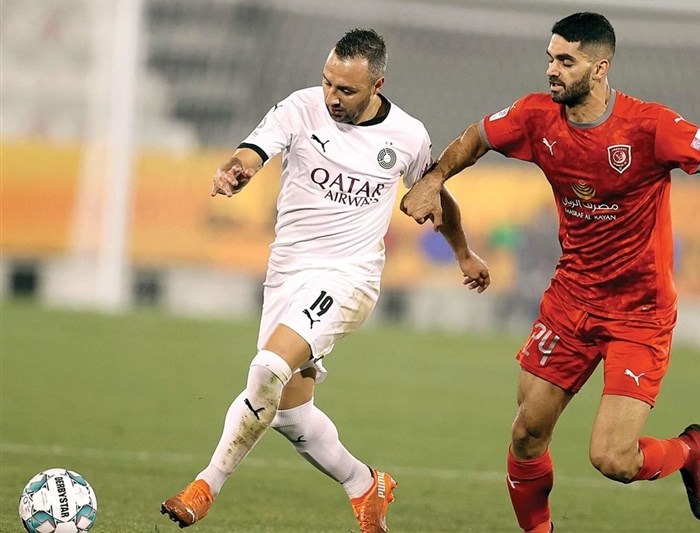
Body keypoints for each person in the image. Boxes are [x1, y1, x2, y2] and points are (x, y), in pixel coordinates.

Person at [400, 12, 700, 533]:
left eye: (566, 61)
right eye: (550, 59)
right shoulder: (535, 116)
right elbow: (478, 136)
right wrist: (435, 178)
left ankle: (690, 449)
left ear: (600, 68)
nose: (552, 70)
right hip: (571, 300)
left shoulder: (650, 126)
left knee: (613, 459)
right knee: (526, 435)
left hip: (640, 313)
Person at [160, 28, 490, 533]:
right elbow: (253, 151)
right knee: (289, 413)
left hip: (349, 278)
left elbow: (435, 195)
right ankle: (365, 484)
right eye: (327, 83)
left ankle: (205, 486)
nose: (332, 97)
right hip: (287, 273)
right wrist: (236, 170)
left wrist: (463, 254)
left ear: (377, 84)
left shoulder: (407, 135)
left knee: (267, 369)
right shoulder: (300, 108)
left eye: (346, 90)